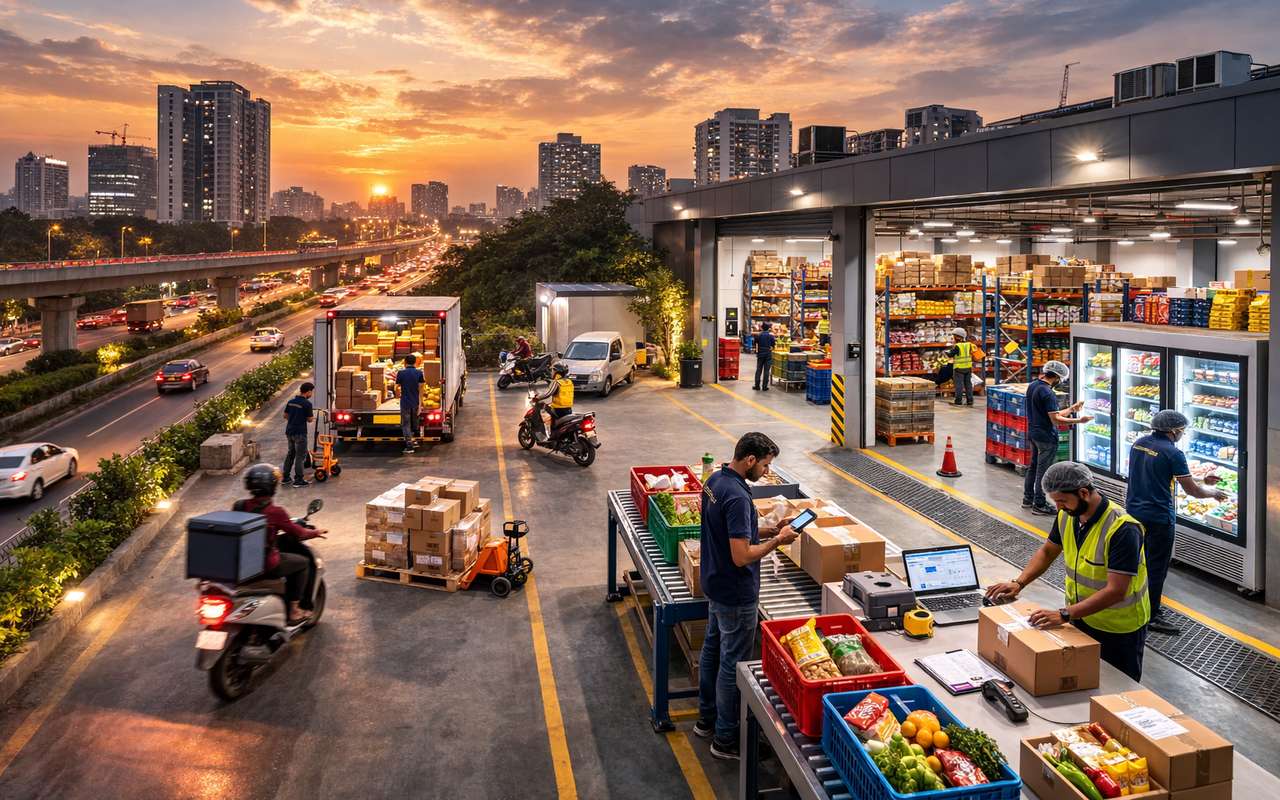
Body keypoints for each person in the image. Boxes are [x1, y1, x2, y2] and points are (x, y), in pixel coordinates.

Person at [986, 461, 1151, 681]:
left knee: (1118, 688)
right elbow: (1048, 551)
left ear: (1083, 493)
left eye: (1062, 501)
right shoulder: (1068, 515)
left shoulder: (1122, 529)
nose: (1058, 507)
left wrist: (1064, 614)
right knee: (1083, 680)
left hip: (1118, 629)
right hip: (1081, 617)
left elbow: (1116, 591)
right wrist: (1019, 583)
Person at [694, 432, 800, 760]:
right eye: (765, 465)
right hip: (736, 592)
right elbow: (741, 556)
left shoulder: (716, 480)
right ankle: (725, 740)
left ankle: (706, 720)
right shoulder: (739, 497)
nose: (766, 472)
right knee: (732, 664)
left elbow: (730, 531)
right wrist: (778, 542)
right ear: (750, 459)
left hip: (715, 582)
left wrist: (770, 529)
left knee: (712, 650)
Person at [1125, 409, 1228, 636]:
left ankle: (1134, 602)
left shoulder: (1140, 443)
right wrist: (1213, 492)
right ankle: (1151, 615)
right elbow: (1191, 491)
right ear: (1174, 430)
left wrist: (1201, 478)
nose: (1182, 433)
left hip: (1133, 511)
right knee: (1156, 566)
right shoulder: (1173, 452)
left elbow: (1161, 471)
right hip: (1158, 516)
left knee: (1137, 561)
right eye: (1182, 430)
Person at [235, 464, 327, 624]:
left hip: (242, 562)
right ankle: (294, 610)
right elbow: (299, 533)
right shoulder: (276, 512)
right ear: (272, 487)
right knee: (303, 563)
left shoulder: (240, 506)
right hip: (265, 565)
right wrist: (316, 532)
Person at [1024, 361, 1091, 515]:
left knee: (1033, 467)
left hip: (1034, 433)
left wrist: (1072, 409)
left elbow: (1054, 414)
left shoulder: (1034, 385)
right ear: (1058, 378)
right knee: (1043, 470)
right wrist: (1079, 420)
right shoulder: (1048, 393)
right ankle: (1039, 504)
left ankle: (1028, 498)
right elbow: (1055, 420)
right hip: (1046, 437)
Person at [281, 382, 314, 488]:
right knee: (300, 456)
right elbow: (309, 420)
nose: (311, 394)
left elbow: (285, 416)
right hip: (300, 433)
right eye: (311, 392)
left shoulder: (291, 402)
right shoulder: (307, 404)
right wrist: (307, 418)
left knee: (291, 454)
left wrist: (295, 417)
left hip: (289, 432)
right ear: (308, 392)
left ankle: (285, 477)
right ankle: (298, 480)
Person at [532, 363, 574, 442]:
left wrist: (537, 398)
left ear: (556, 372)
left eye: (552, 370)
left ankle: (551, 437)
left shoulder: (557, 382)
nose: (551, 372)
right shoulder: (569, 381)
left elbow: (548, 394)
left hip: (558, 409)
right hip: (568, 408)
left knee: (544, 415)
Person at [395, 354, 425, 454]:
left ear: (405, 362)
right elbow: (421, 389)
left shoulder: (401, 373)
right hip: (415, 402)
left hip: (405, 403)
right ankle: (414, 441)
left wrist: (398, 395)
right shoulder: (419, 372)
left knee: (406, 424)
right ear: (415, 362)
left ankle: (409, 446)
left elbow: (397, 387)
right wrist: (420, 404)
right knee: (414, 423)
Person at [946, 328, 977, 406]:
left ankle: (958, 401)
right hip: (968, 368)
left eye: (954, 336)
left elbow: (950, 355)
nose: (953, 338)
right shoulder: (968, 344)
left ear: (958, 337)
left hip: (959, 368)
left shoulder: (957, 346)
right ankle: (970, 401)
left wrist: (946, 352)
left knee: (959, 385)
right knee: (968, 385)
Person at [752, 323, 776, 391]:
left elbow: (755, 343)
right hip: (768, 354)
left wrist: (757, 350)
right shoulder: (771, 336)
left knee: (758, 370)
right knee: (766, 371)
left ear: (762, 328)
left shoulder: (758, 335)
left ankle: (757, 386)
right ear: (768, 328)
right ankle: (764, 387)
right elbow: (773, 345)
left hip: (760, 354)